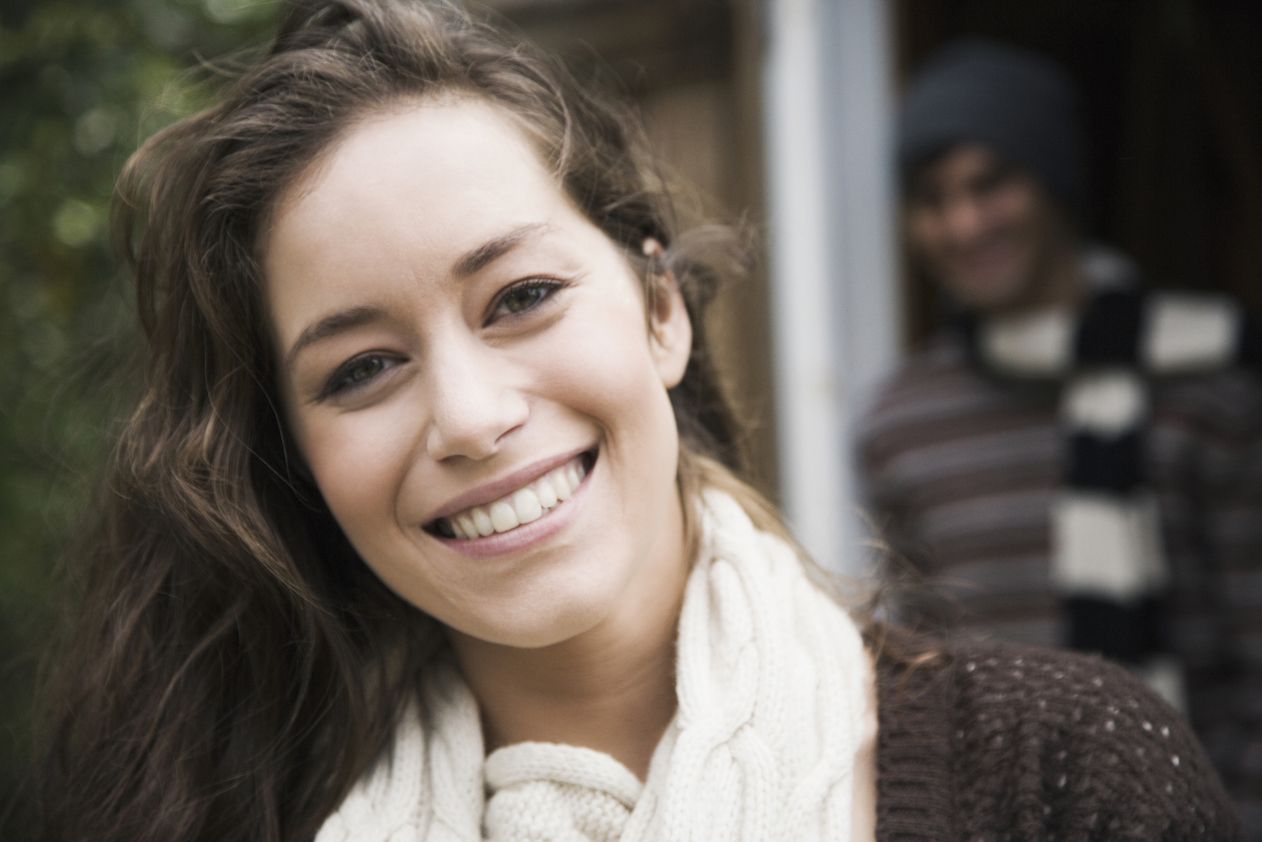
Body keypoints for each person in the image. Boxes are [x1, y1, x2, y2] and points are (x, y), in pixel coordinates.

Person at [35, 6, 1238, 841]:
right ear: (294, 456)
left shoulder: (1065, 772)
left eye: (520, 296)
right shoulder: (220, 812)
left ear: (660, 308)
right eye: (359, 370)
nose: (467, 414)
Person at [857, 39, 1262, 833]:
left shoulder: (1204, 388)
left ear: (1054, 181)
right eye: (932, 199)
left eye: (990, 183)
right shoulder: (901, 424)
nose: (963, 223)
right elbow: (921, 680)